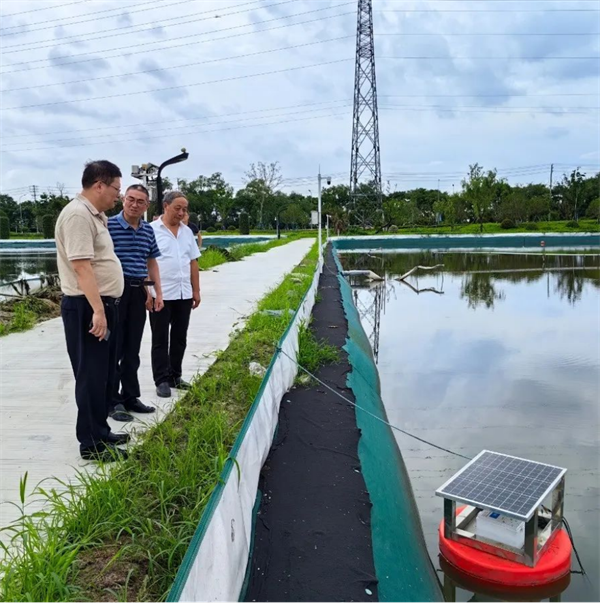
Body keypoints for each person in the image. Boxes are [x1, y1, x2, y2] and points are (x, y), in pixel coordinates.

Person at [55, 160, 128, 462]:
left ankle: (100, 429)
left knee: (105, 375)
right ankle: (91, 444)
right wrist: (98, 311)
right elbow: (81, 267)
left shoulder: (96, 216)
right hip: (86, 308)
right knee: (90, 376)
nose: (118, 197)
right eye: (115, 189)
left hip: (101, 305)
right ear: (99, 185)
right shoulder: (76, 216)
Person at [107, 184, 164, 422]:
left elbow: (151, 262)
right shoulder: (108, 225)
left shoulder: (148, 230)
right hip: (115, 292)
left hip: (138, 291)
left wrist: (156, 292)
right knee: (114, 348)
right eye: (131, 199)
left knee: (132, 348)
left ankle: (130, 396)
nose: (134, 204)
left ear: (147, 206)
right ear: (123, 199)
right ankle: (113, 400)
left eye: (141, 201)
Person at [150, 191, 201, 398]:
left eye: (184, 209)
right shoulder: (151, 230)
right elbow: (146, 263)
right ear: (166, 206)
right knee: (160, 338)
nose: (181, 212)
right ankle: (161, 379)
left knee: (180, 337)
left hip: (183, 293)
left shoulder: (187, 232)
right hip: (160, 294)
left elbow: (193, 262)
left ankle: (175, 375)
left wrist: (196, 290)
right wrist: (148, 291)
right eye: (177, 208)